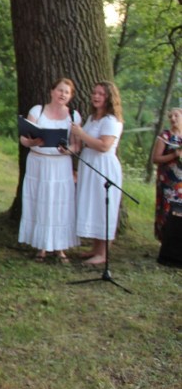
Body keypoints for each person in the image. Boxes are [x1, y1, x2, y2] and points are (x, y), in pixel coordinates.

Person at [18, 78, 81, 262]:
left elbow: (77, 145)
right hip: (39, 162)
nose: (62, 94)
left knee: (60, 204)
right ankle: (41, 246)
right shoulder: (37, 110)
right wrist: (31, 142)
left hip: (60, 164)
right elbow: (24, 137)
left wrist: (69, 149)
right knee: (40, 202)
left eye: (66, 92)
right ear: (52, 91)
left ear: (70, 96)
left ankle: (60, 247)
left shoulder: (74, 116)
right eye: (60, 90)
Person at [70, 81, 124, 266]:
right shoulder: (93, 118)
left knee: (103, 206)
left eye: (101, 94)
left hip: (103, 166)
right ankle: (95, 247)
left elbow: (104, 145)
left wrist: (81, 134)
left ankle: (103, 253)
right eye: (94, 92)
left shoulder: (111, 120)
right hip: (90, 164)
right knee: (93, 204)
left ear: (109, 98)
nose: (96, 96)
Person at [151, 107, 182, 243]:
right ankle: (165, 240)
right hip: (167, 180)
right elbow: (155, 158)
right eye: (171, 117)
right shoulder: (165, 136)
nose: (173, 119)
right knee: (167, 209)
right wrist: (173, 155)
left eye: (176, 116)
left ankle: (177, 242)